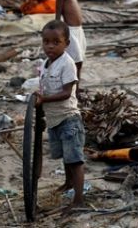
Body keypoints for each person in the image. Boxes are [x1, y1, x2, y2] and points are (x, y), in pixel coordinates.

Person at [35, 20, 86, 208]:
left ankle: (79, 200)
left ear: (67, 43)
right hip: (54, 119)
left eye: (56, 42)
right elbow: (44, 89)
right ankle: (68, 183)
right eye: (46, 41)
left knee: (75, 160)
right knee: (66, 156)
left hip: (68, 118)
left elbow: (65, 93)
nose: (50, 46)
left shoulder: (67, 64)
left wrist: (43, 100)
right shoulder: (46, 64)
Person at [55, 0, 86, 82]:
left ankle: (76, 87)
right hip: (71, 32)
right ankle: (73, 89)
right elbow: (58, 16)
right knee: (76, 62)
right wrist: (59, 34)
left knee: (80, 60)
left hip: (78, 31)